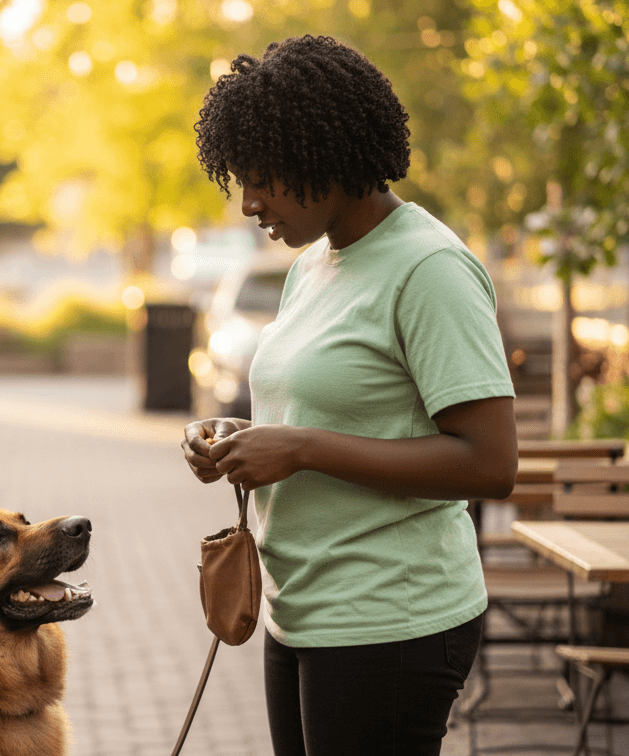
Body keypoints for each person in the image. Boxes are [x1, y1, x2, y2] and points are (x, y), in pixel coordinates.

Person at [181, 35, 518, 756]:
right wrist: (238, 435)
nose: (247, 203)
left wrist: (301, 449)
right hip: (301, 610)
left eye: (263, 178)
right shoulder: (315, 265)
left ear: (323, 156)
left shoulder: (429, 268)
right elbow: (332, 407)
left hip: (391, 619)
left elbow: (491, 465)